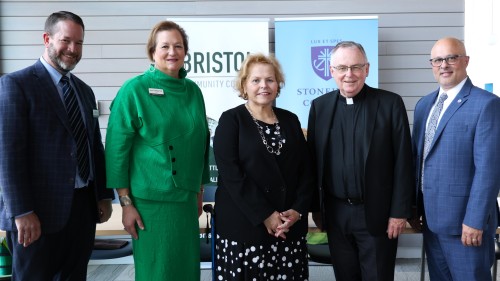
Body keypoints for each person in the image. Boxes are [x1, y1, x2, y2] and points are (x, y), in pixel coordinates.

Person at [0, 11, 114, 280]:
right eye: (66, 40)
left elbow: (94, 147)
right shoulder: (16, 85)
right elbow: (8, 155)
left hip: (81, 210)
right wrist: (22, 211)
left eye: (79, 43)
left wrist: (103, 195)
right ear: (46, 39)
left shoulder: (84, 91)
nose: (73, 49)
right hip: (35, 215)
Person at [105, 20, 210, 281]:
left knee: (186, 271)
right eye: (164, 46)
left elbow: (200, 144)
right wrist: (126, 203)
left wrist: (199, 192)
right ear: (153, 52)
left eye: (178, 46)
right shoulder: (135, 90)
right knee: (158, 272)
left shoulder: (193, 91)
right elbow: (116, 151)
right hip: (150, 205)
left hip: (186, 202)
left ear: (186, 52)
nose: (172, 52)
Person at [307, 41, 414, 281]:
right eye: (342, 67)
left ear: (367, 69)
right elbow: (314, 163)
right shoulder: (320, 107)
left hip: (378, 213)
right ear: (331, 71)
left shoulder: (390, 104)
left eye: (356, 67)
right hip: (335, 214)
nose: (349, 74)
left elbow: (403, 162)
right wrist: (317, 207)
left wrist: (399, 212)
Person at [213, 53, 314, 280]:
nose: (263, 86)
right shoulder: (231, 120)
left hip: (288, 229)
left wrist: (298, 211)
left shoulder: (291, 120)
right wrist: (266, 215)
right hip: (245, 227)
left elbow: (306, 172)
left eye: (270, 79)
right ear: (244, 85)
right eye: (256, 80)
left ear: (278, 84)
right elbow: (232, 176)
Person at [411, 37, 500, 280]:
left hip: (466, 225)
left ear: (465, 61)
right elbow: (418, 159)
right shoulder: (424, 105)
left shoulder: (487, 105)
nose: (444, 65)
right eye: (437, 60)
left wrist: (475, 220)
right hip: (430, 220)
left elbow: (489, 170)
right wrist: (413, 207)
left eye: (451, 58)